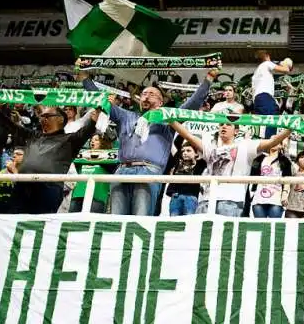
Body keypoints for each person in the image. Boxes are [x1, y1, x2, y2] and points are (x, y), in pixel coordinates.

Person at [79, 63, 215, 215]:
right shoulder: (126, 116)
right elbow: (100, 100)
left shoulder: (167, 119)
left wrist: (208, 79)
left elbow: (193, 104)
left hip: (148, 171)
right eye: (143, 94)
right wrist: (84, 78)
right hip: (122, 170)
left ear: (161, 102)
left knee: (140, 221)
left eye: (151, 94)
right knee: (116, 222)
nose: (145, 96)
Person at [0, 104, 100, 214]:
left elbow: (87, 131)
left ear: (60, 119)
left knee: (39, 225)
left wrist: (94, 119)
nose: (42, 118)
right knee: (14, 223)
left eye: (47, 116)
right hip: (22, 186)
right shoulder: (33, 136)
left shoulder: (70, 140)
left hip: (48, 189)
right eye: (42, 116)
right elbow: (10, 126)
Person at [169, 120, 292, 217]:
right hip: (206, 200)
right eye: (221, 124)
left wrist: (291, 128)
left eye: (228, 124)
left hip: (231, 201)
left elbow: (273, 141)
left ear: (236, 131)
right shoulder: (211, 148)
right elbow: (188, 136)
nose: (224, 127)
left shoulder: (245, 146)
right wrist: (170, 121)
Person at [68, 134, 116, 214]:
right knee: (72, 223)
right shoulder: (81, 158)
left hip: (97, 197)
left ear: (103, 143)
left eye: (96, 140)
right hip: (78, 195)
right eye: (92, 139)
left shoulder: (110, 161)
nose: (92, 141)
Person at [246, 138, 292, 218]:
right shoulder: (258, 159)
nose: (274, 143)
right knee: (260, 226)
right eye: (272, 141)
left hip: (276, 199)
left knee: (274, 227)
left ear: (281, 146)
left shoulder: (284, 160)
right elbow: (252, 176)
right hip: (259, 198)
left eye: (277, 141)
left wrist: (284, 195)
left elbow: (287, 179)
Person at [252, 50, 293, 137]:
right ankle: (270, 145)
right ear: (267, 56)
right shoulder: (267, 64)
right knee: (273, 118)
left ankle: (263, 145)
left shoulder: (257, 72)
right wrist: (285, 62)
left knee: (262, 125)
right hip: (265, 97)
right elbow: (286, 69)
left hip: (257, 101)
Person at [167, 142, 206, 216]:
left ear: (196, 153)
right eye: (183, 151)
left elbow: (206, 152)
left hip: (191, 197)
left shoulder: (200, 164)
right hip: (176, 196)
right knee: (174, 223)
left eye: (188, 150)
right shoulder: (178, 160)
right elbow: (177, 141)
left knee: (188, 222)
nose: (185, 153)